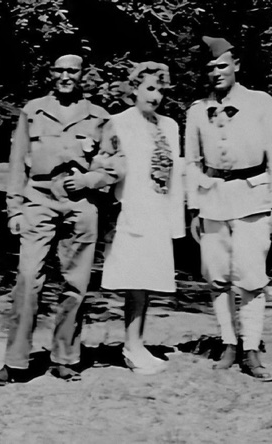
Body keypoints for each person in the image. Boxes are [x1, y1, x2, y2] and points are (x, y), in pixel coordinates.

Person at [0, 38, 124, 387]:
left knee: (75, 284)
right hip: (38, 200)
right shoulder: (32, 111)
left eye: (72, 71)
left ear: (82, 75)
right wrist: (14, 209)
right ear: (51, 73)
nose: (65, 76)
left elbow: (114, 165)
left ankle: (65, 358)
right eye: (59, 70)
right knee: (27, 280)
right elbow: (17, 164)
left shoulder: (99, 117)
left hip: (81, 206)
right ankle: (15, 362)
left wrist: (89, 180)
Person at [184, 36, 272, 381]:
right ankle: (229, 343)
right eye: (210, 68)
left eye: (222, 66)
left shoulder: (261, 103)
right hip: (213, 199)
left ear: (236, 66)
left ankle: (251, 349)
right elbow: (191, 162)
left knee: (251, 277)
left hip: (252, 197)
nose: (216, 72)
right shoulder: (197, 110)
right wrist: (194, 207)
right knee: (217, 278)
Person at [100, 61, 185, 375]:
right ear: (134, 89)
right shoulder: (118, 123)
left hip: (157, 212)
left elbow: (175, 177)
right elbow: (106, 169)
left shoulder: (170, 126)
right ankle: (130, 347)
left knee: (147, 281)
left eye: (161, 90)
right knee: (134, 281)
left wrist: (175, 222)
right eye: (149, 88)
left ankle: (136, 344)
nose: (156, 96)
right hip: (130, 211)